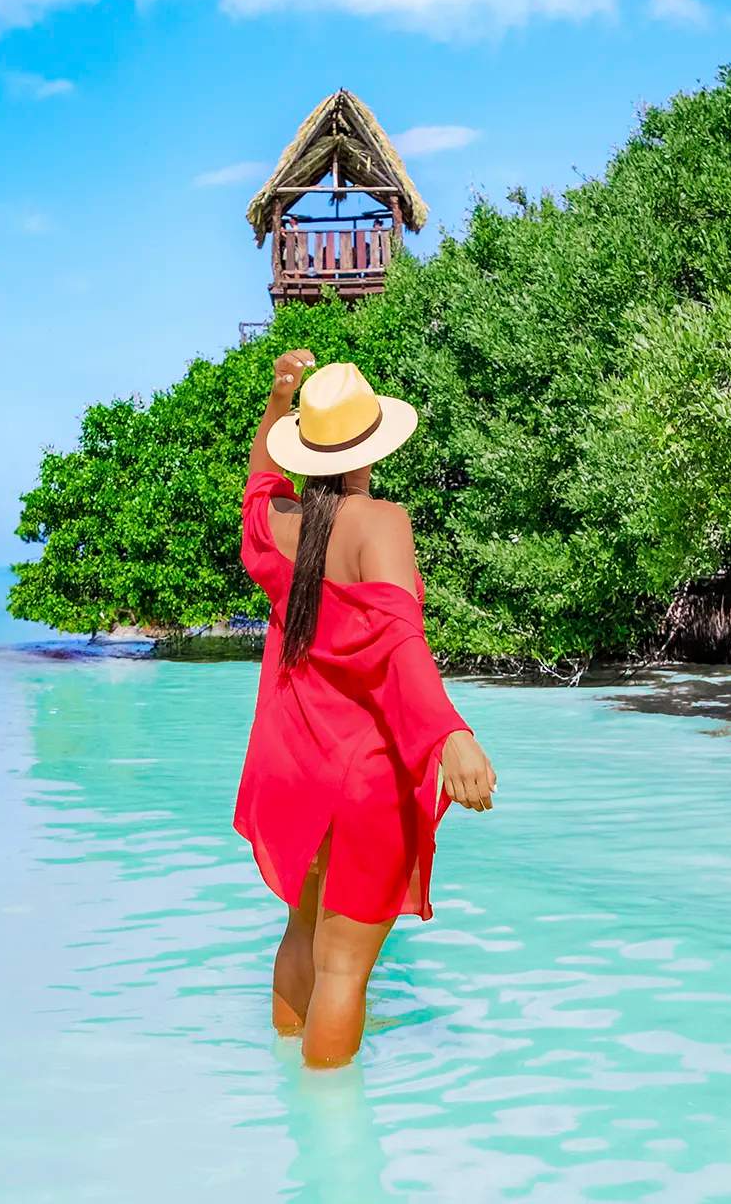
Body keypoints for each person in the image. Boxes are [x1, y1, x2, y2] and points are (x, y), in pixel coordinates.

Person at [234, 351, 497, 1068]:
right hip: (360, 779)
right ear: (372, 446)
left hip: (289, 768)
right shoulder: (380, 522)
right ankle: (330, 1139)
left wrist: (278, 393)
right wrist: (450, 734)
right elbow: (399, 641)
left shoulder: (277, 524)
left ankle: (287, 1108)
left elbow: (259, 484)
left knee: (300, 932)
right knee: (344, 970)